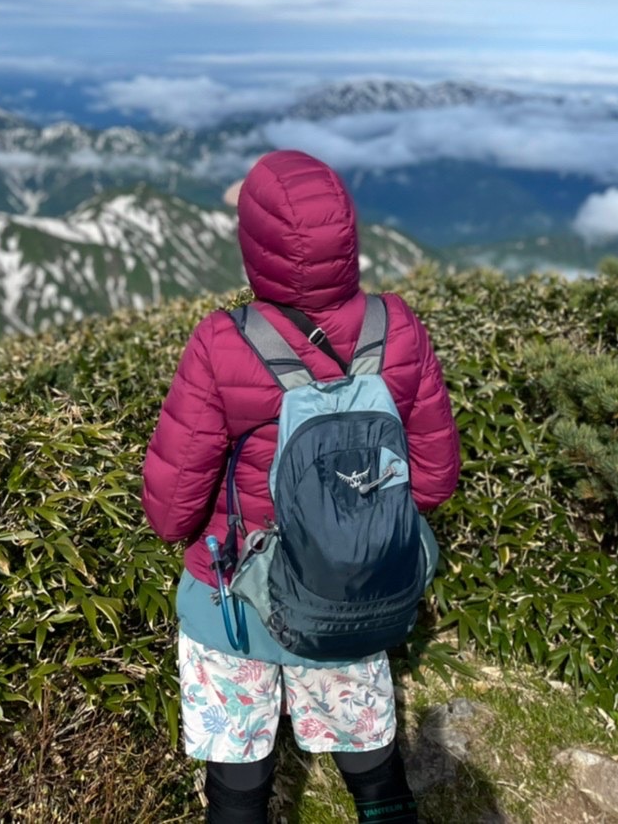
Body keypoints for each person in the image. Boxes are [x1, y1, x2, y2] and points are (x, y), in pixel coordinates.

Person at [141, 149, 461, 824]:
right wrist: (349, 530)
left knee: (239, 777)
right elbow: (433, 481)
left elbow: (172, 513)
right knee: (372, 762)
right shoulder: (396, 327)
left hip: (238, 598)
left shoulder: (222, 343)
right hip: (355, 589)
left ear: (253, 244)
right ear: (348, 234)